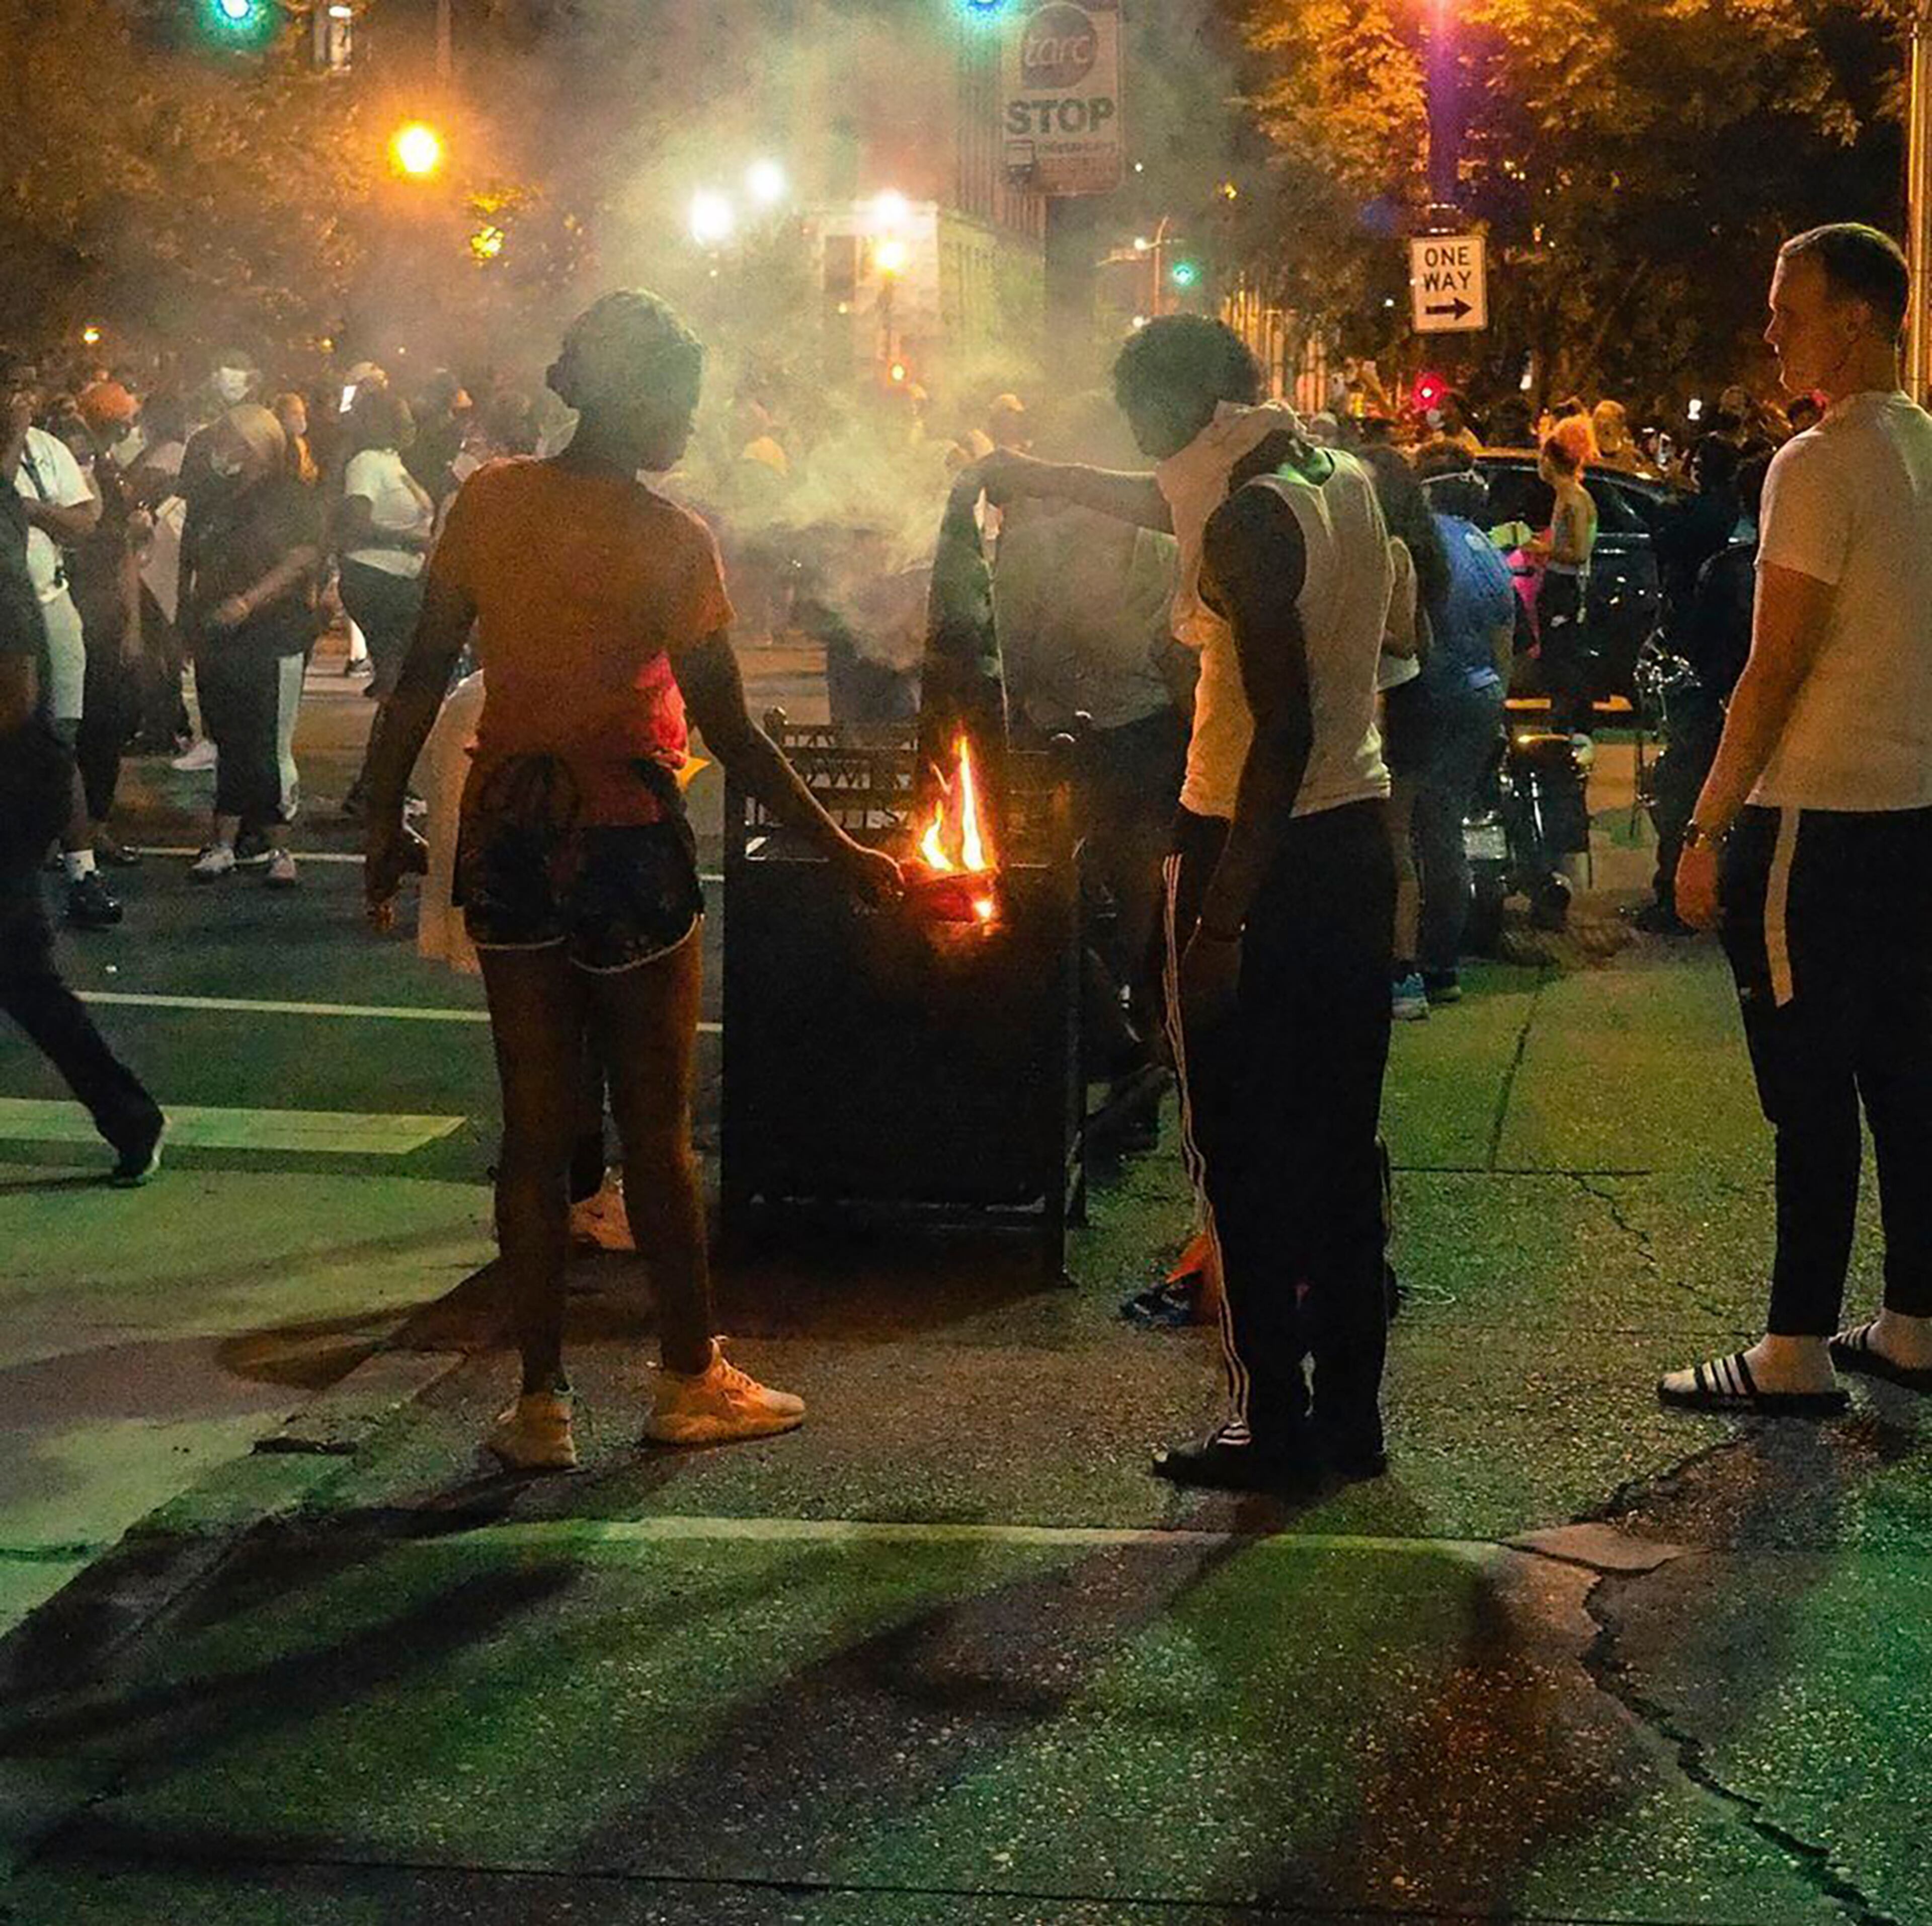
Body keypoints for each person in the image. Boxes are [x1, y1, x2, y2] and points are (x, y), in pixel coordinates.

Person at [361, 289, 901, 1473]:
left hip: (510, 832)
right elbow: (733, 731)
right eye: (682, 400)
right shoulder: (673, 540)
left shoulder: (488, 503)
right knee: (655, 1132)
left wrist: (376, 816)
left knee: (536, 1127)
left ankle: (542, 1402)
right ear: (637, 395)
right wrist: (843, 845)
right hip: (624, 838)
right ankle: (686, 1375)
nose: (690, 423)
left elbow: (415, 675)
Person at [981, 315, 1397, 1489]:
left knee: (1241, 1150)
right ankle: (1350, 1419)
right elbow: (1160, 501)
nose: (1129, 438)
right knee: (1336, 1146)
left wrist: (1217, 921)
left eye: (1134, 414)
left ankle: (1269, 1421)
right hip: (1352, 838)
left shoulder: (1244, 521)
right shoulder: (1327, 474)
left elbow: (1280, 732)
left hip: (1254, 849)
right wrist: (1038, 475)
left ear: (1180, 404)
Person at [1665, 224, 1932, 1412]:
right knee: (1907, 1076)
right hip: (1913, 813)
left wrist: (1704, 824)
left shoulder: (1815, 463)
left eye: (1789, 308)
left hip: (1814, 818)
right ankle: (1912, 1320)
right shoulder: (1924, 451)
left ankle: (1792, 1346)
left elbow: (1773, 667)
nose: (1770, 329)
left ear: (1859, 317)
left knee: (1808, 1085)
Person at [992, 390, 1185, 1128]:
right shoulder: (1155, 546)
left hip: (1093, 744)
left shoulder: (1042, 548)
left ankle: (1123, 1039)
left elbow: (1014, 654)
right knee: (1131, 898)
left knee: (1067, 897)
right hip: (1128, 737)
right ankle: (1137, 1035)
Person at [0, 350, 164, 1184]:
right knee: (23, 974)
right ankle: (129, 1117)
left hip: (8, 771)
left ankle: (130, 1117)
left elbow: (15, 687)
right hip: (20, 768)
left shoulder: (9, 515)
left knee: (23, 972)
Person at [178, 405, 321, 888]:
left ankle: (280, 847)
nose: (223, 448)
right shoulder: (216, 496)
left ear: (258, 444)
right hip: (219, 636)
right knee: (230, 739)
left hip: (273, 633)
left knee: (270, 743)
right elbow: (193, 559)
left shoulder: (289, 495)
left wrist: (248, 602)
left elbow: (301, 558)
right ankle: (223, 842)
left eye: (232, 438)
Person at [9, 357, 118, 930]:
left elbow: (85, 520)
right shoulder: (16, 453)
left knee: (59, 742)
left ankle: (82, 872)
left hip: (49, 606)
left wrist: (38, 511)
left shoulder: (46, 448)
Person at [1638, 453, 1767, 936]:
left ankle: (1677, 898)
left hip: (1721, 704)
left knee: (1680, 792)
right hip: (1751, 704)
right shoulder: (1753, 563)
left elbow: (1702, 641)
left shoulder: (1731, 567)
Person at [1413, 449, 1516, 998]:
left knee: (1423, 831)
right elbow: (1507, 643)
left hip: (1434, 694)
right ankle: (1443, 958)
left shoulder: (1422, 543)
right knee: (1446, 826)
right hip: (1481, 695)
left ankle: (1424, 961)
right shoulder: (1489, 550)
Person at [1358, 445, 1449, 1021]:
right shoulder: (1381, 547)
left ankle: (1403, 968)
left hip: (1397, 702)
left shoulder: (1391, 550)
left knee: (1394, 844)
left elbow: (1405, 640)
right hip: (1388, 699)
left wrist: (1348, 629)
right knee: (1384, 842)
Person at [335, 387, 436, 816]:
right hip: (376, 578)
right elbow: (356, 525)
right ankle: (379, 785)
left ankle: (380, 781)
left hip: (399, 577)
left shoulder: (392, 461)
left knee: (402, 685)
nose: (411, 420)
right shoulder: (365, 465)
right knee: (398, 684)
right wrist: (411, 539)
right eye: (402, 413)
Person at [68, 382, 148, 870]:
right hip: (70, 605)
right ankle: (71, 833)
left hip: (103, 613)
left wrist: (133, 623)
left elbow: (123, 557)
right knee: (67, 727)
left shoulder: (108, 472)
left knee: (104, 725)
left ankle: (95, 828)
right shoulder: (75, 474)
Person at [1524, 430, 1598, 738]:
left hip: (1566, 589)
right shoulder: (1564, 497)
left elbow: (1580, 552)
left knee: (1564, 659)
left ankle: (1572, 726)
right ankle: (1564, 723)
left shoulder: (1574, 499)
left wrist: (1544, 550)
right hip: (1557, 582)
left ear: (1551, 461)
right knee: (1556, 657)